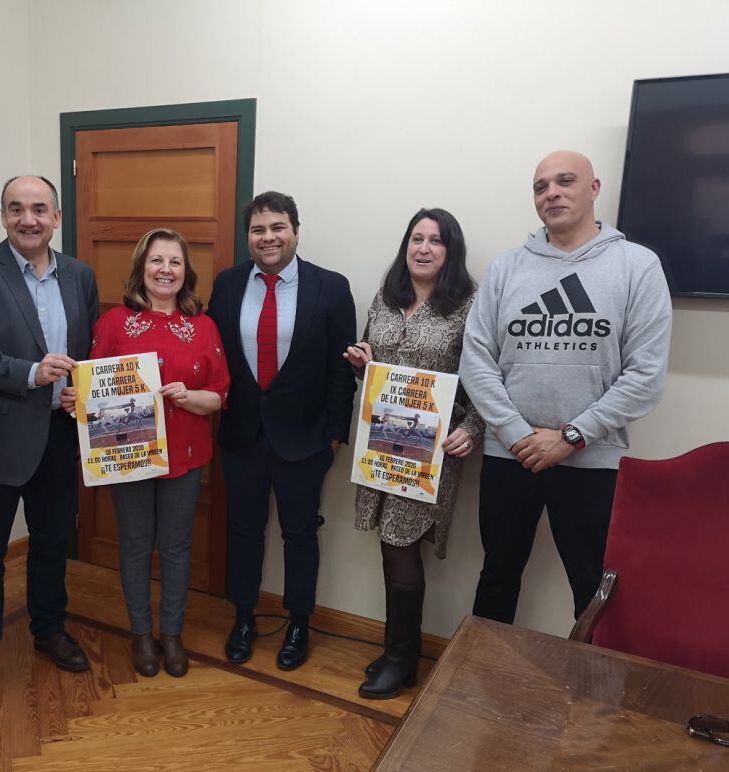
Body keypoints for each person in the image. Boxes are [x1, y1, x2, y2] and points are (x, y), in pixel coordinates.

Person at [460, 150, 672, 625]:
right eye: (540, 186)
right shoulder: (506, 269)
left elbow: (645, 376)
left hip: (591, 459)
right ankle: (484, 691)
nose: (551, 193)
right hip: (508, 456)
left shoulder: (637, 266)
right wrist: (516, 434)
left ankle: (592, 698)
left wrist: (572, 436)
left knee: (593, 588)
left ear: (593, 189)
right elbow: (476, 360)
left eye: (565, 181)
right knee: (497, 575)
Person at [0, 175, 99, 701]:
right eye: (17, 209)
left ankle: (49, 629)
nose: (28, 219)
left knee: (53, 541)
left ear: (57, 218)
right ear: (4, 216)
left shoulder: (80, 275)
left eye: (39, 209)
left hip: (59, 435)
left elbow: (88, 352)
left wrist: (80, 390)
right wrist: (32, 373)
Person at [61, 229, 230, 677]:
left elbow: (219, 395)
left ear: (185, 272)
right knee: (135, 546)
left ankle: (171, 634)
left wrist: (188, 396)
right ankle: (141, 634)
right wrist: (75, 400)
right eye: (157, 261)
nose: (165, 270)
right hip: (129, 456)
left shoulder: (203, 326)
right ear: (141, 268)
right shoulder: (114, 324)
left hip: (186, 454)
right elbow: (92, 389)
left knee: (176, 547)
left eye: (174, 262)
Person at [208, 191, 356, 671]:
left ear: (295, 230)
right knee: (244, 531)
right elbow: (214, 358)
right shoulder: (228, 285)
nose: (267, 237)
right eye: (258, 229)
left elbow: (341, 371)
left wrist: (334, 433)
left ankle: (299, 624)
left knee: (300, 535)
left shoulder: (330, 288)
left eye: (277, 227)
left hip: (306, 441)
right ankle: (244, 617)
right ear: (247, 236)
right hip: (242, 436)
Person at [344, 208, 484, 699]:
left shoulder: (470, 305)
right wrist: (364, 363)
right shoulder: (386, 299)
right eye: (416, 238)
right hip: (383, 441)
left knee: (402, 544)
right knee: (388, 543)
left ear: (451, 251)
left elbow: (489, 379)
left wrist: (474, 428)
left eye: (436, 241)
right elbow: (376, 366)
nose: (423, 248)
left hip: (433, 449)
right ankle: (396, 652)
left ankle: (404, 657)